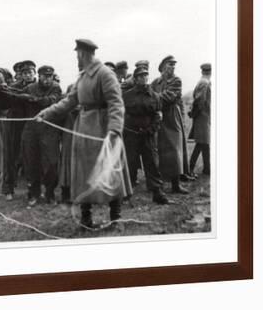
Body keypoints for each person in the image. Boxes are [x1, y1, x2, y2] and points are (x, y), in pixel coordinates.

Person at [36, 39, 132, 228]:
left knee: (109, 169)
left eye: (78, 54)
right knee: (83, 172)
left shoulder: (105, 73)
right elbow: (69, 101)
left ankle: (116, 217)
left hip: (103, 129)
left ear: (84, 54)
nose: (77, 59)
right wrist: (46, 112)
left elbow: (116, 103)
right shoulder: (81, 77)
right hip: (83, 127)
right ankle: (86, 218)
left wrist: (114, 129)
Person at [0, 65, 62, 205]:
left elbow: (51, 101)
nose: (47, 79)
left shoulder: (55, 87)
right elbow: (12, 99)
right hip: (30, 129)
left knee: (51, 163)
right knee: (30, 163)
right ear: (39, 76)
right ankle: (33, 194)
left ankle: (49, 193)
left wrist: (32, 99)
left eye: (49, 76)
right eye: (44, 76)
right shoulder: (30, 87)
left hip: (49, 129)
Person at [0, 60, 37, 200]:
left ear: (34, 72)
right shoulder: (13, 86)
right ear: (20, 75)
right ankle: (8, 189)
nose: (26, 75)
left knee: (31, 158)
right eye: (23, 73)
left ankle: (32, 190)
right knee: (10, 157)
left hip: (32, 125)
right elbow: (4, 104)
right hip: (14, 124)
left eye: (29, 72)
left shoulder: (38, 87)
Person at [123, 67, 169, 204]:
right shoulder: (127, 95)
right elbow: (122, 113)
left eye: (146, 76)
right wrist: (127, 129)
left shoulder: (155, 96)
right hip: (131, 135)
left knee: (152, 164)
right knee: (130, 163)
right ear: (135, 79)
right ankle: (126, 193)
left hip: (148, 135)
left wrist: (150, 130)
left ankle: (157, 193)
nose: (144, 78)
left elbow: (158, 115)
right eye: (141, 76)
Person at [151, 55, 190, 193]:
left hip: (172, 118)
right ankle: (159, 183)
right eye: (170, 64)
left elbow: (169, 97)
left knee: (174, 150)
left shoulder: (176, 81)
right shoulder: (156, 82)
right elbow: (151, 94)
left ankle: (176, 184)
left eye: (174, 65)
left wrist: (153, 98)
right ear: (162, 67)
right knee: (161, 151)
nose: (172, 67)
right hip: (159, 118)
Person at [188, 63, 211, 176]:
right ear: (210, 72)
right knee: (201, 143)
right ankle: (190, 168)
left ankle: (207, 169)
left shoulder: (203, 81)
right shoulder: (205, 82)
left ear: (203, 71)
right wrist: (199, 113)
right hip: (203, 116)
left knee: (205, 143)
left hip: (203, 115)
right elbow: (200, 100)